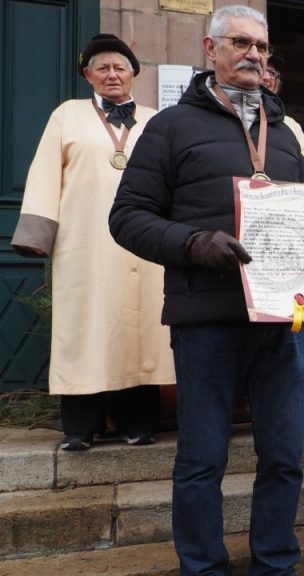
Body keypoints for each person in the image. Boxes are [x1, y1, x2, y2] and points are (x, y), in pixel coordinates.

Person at [108, 6, 304, 573]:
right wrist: (193, 244)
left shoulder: (284, 135)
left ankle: (275, 563)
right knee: (203, 459)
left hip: (281, 320)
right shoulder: (169, 126)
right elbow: (127, 217)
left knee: (284, 456)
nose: (254, 54)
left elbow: (300, 214)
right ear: (211, 51)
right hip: (206, 317)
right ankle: (204, 567)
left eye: (262, 45)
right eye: (240, 42)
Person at [12, 33, 173, 451]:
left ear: (134, 75)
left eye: (120, 67)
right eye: (102, 68)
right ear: (88, 75)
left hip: (146, 245)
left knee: (140, 330)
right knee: (86, 329)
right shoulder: (68, 115)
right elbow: (46, 170)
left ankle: (137, 423)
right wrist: (36, 234)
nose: (112, 74)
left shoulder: (158, 121)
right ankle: (80, 428)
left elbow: (175, 179)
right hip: (85, 245)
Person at [261, 51, 304, 169]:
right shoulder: (234, 118)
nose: (267, 77)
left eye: (271, 73)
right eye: (261, 70)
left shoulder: (291, 125)